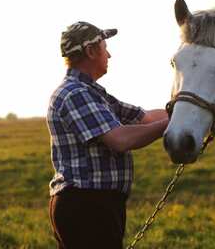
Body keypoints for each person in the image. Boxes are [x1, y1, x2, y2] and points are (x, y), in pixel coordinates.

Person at [46, 21, 170, 249]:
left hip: (96, 204)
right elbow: (120, 139)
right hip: (85, 205)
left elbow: (145, 117)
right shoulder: (74, 93)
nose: (109, 55)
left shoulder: (92, 93)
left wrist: (196, 111)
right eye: (104, 47)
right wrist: (171, 123)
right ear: (91, 51)